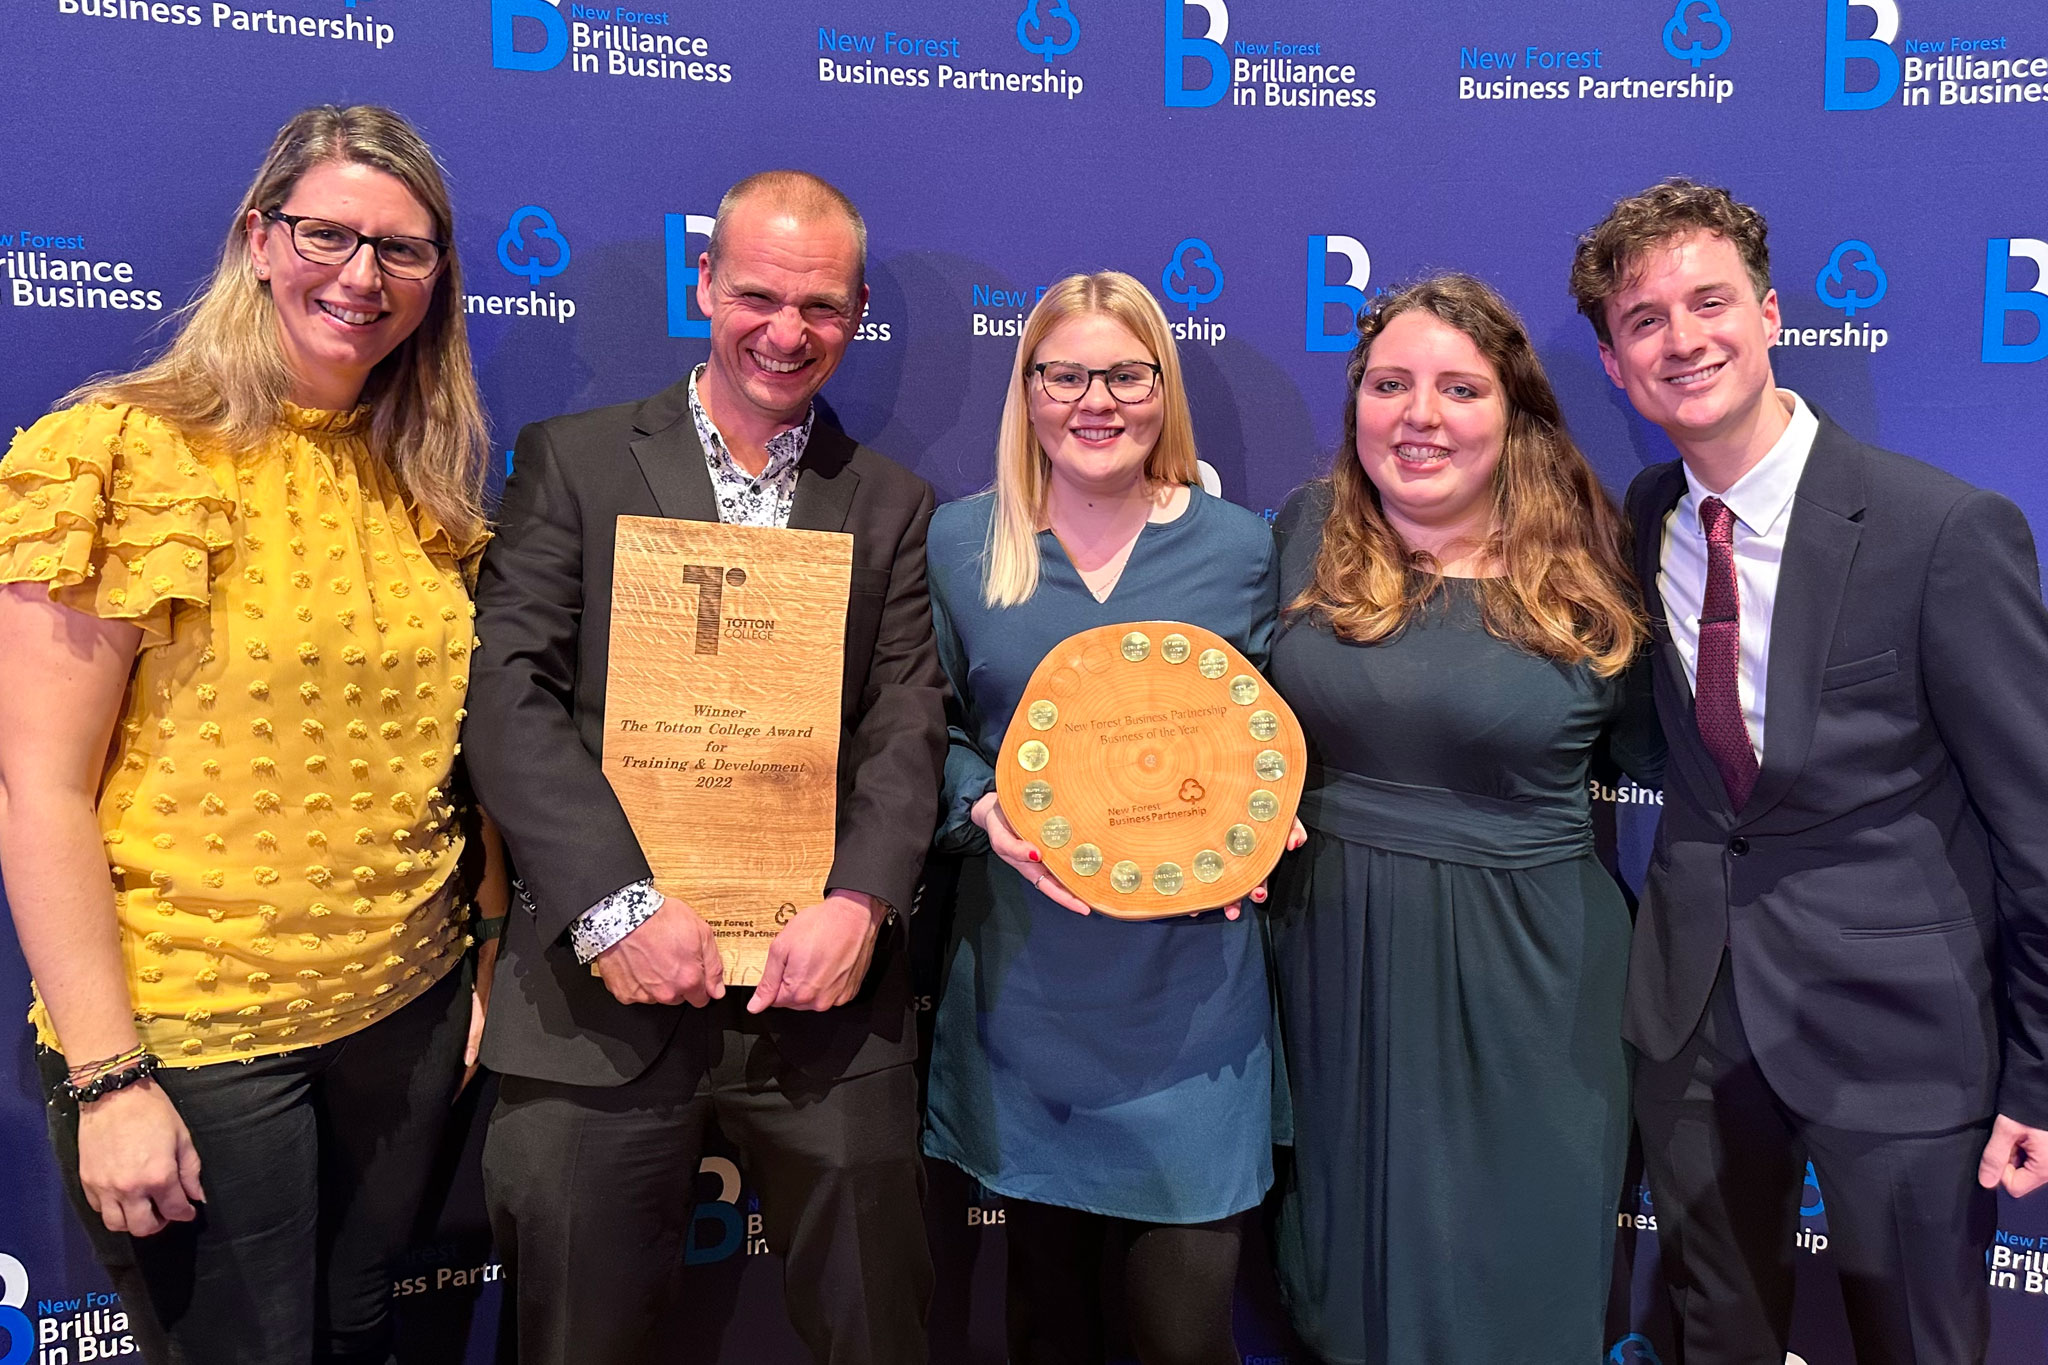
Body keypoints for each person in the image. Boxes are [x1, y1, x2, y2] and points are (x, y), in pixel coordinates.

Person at [0, 105, 503, 1364]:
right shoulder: (114, 454)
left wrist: (486, 965)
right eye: (329, 234)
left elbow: (463, 760)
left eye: (404, 250)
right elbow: (38, 790)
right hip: (196, 1041)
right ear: (258, 239)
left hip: (408, 1010)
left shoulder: (425, 487)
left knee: (360, 1329)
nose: (363, 276)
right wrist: (112, 1081)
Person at [466, 170, 946, 1365]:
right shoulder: (570, 463)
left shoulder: (889, 504)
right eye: (757, 295)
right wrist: (615, 907)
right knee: (573, 1337)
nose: (787, 331)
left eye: (822, 307)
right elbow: (508, 696)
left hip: (820, 1001)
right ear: (704, 283)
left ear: (857, 311)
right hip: (598, 997)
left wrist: (863, 901)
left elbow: (905, 719)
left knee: (880, 1331)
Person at [1572, 177, 2048, 1363]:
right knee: (1711, 1338)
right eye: (1644, 321)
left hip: (1900, 1032)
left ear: (1772, 313)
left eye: (1708, 301)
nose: (1682, 340)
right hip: (1691, 1024)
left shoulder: (1941, 532)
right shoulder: (1642, 520)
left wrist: (2037, 1074)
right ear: (1615, 365)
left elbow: (2034, 826)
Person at [1265, 273, 1661, 1364]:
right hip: (1325, 955)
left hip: (1527, 976)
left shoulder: (1596, 562)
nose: (1419, 415)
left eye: (1458, 387)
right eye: (1388, 384)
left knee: (1514, 1283)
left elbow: (1658, 748)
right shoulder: (1303, 532)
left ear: (1514, 410)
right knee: (1341, 1286)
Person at [924, 271, 1294, 1365]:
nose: (1096, 400)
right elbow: (922, 734)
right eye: (1066, 374)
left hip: (1190, 1007)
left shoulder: (1240, 549)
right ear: (1027, 388)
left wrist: (1277, 817)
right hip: (1026, 997)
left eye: (1126, 374)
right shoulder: (958, 542)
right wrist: (979, 804)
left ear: (1160, 389)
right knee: (1047, 1328)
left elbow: (1272, 741)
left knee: (1182, 1339)